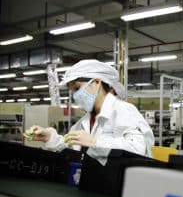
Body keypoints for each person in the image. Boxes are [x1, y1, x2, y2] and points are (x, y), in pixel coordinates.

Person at [23, 59, 154, 163]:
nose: (75, 95)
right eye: (73, 91)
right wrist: (49, 137)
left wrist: (95, 142)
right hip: (98, 181)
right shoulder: (85, 120)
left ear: (96, 82)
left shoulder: (123, 110)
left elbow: (139, 148)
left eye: (77, 88)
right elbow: (71, 146)